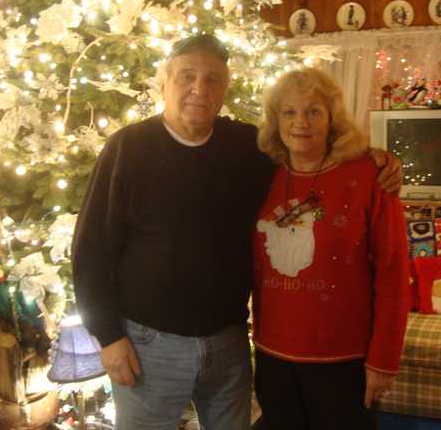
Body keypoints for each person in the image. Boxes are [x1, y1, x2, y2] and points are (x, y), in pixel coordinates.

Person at [72, 35, 402, 430]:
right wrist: (107, 336)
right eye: (187, 76)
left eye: (213, 79)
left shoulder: (248, 148)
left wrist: (377, 158)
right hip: (150, 346)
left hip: (229, 346)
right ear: (164, 83)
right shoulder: (128, 148)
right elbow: (90, 249)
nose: (200, 89)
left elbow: (314, 157)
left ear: (225, 88)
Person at [252, 67, 411, 429]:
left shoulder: (370, 176)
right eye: (289, 112)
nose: (300, 123)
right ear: (276, 120)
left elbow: (394, 272)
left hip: (344, 360)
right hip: (273, 354)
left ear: (332, 119)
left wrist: (383, 359)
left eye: (313, 111)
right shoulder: (260, 174)